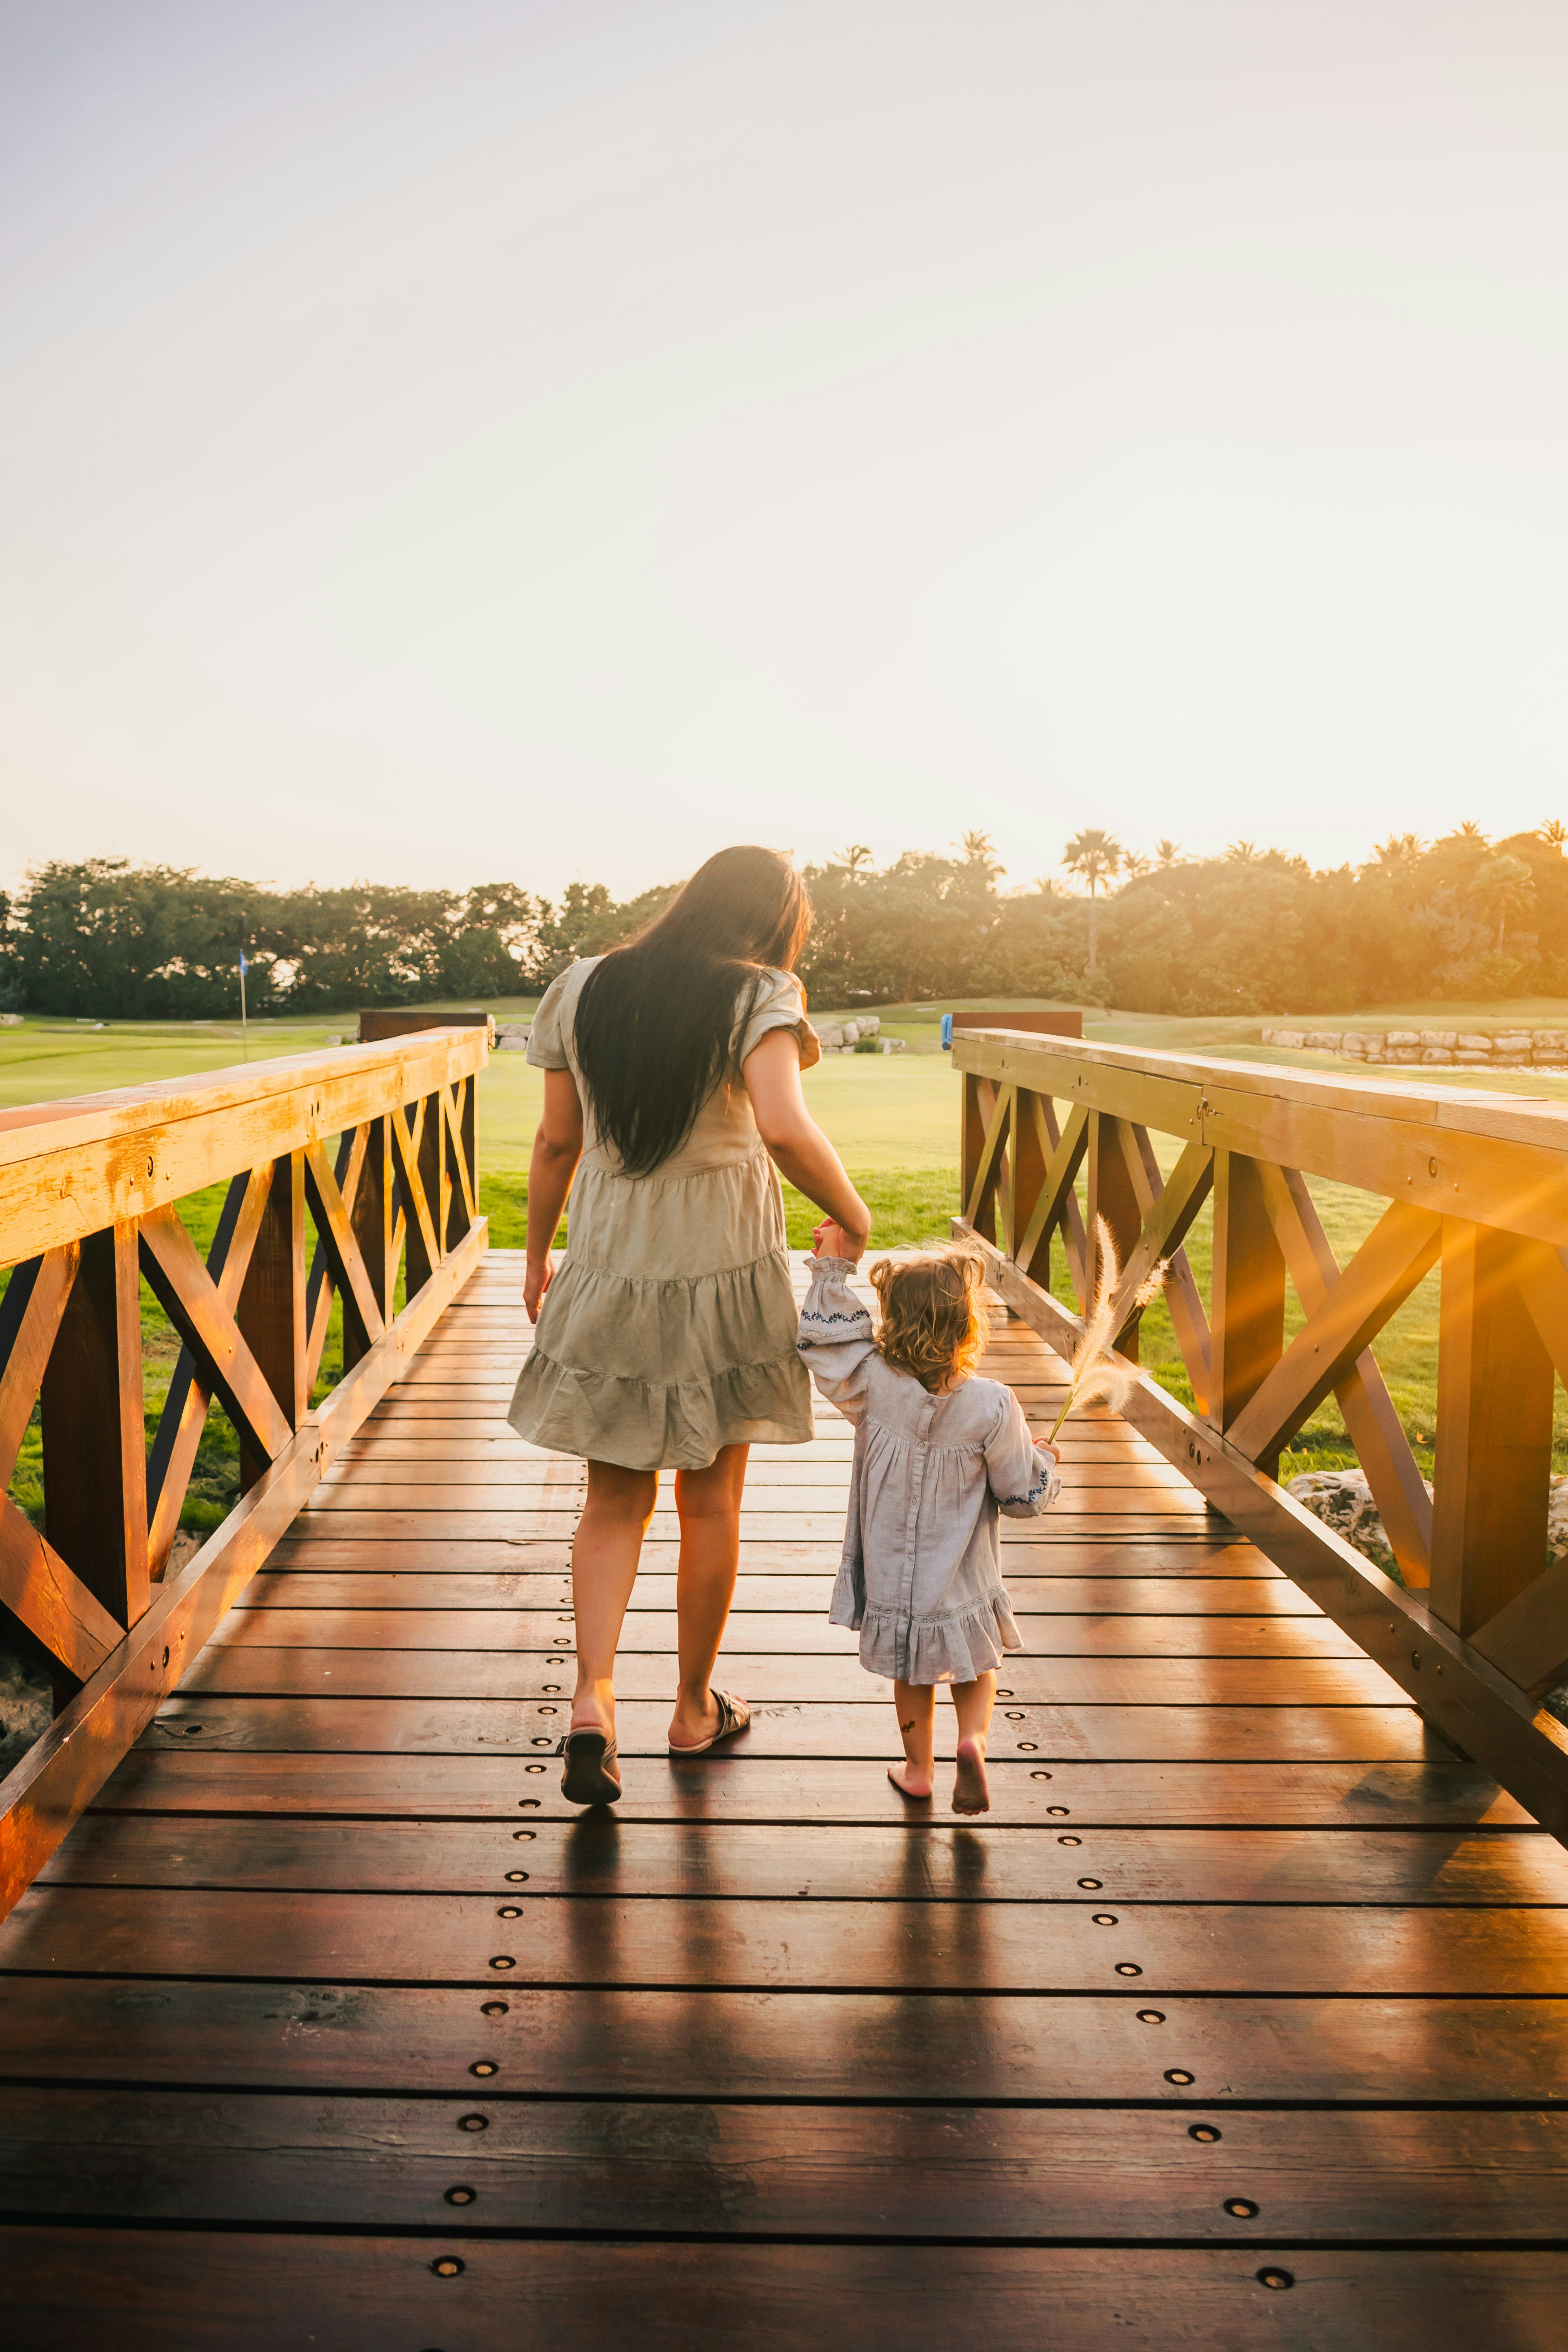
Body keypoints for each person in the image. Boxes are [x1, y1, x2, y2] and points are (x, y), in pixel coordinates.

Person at [510, 845, 870, 1806]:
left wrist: (539, 1253)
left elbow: (556, 1139)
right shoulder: (760, 991)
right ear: (773, 921)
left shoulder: (582, 984)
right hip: (721, 1265)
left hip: (614, 1261)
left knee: (611, 1503)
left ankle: (592, 1699)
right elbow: (785, 1125)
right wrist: (857, 1216)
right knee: (709, 1504)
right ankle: (691, 1708)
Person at [797, 1229, 1060, 1815]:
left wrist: (830, 1271)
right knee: (975, 1665)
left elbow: (823, 1343)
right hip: (962, 1575)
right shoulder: (993, 1404)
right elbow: (1020, 1497)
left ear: (891, 1321)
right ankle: (972, 1741)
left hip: (891, 1571)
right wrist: (1044, 1462)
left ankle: (918, 1771)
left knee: (910, 1675)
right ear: (967, 1326)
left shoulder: (870, 1384)